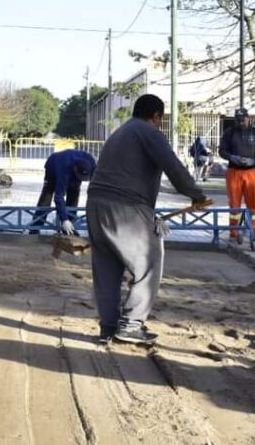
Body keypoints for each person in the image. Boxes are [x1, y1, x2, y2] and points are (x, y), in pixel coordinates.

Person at [86, 95, 209, 345]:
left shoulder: (119, 133)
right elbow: (173, 167)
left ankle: (108, 327)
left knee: (106, 268)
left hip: (95, 205)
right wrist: (197, 195)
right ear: (156, 116)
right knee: (149, 262)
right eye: (161, 119)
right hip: (126, 207)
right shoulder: (148, 132)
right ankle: (131, 324)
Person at [219, 108, 255, 244]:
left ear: (248, 118)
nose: (241, 123)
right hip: (234, 172)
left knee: (253, 205)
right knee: (234, 206)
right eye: (238, 120)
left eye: (243, 120)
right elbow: (222, 151)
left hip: (251, 172)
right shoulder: (229, 133)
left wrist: (253, 160)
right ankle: (234, 232)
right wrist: (232, 157)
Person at [29, 149, 96, 234]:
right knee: (47, 195)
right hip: (53, 166)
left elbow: (96, 185)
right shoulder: (64, 169)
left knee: (74, 194)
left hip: (72, 167)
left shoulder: (92, 163)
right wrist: (64, 219)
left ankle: (70, 228)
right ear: (75, 169)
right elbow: (58, 196)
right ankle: (35, 226)